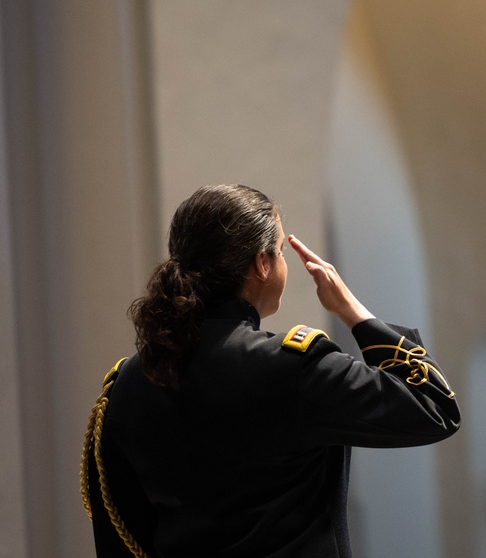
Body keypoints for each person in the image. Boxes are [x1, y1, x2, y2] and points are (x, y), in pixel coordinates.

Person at [81, 184, 460, 558]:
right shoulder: (291, 368)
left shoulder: (128, 384)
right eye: (279, 252)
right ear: (262, 264)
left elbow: (121, 535)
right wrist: (354, 313)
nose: (282, 264)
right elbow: (434, 407)